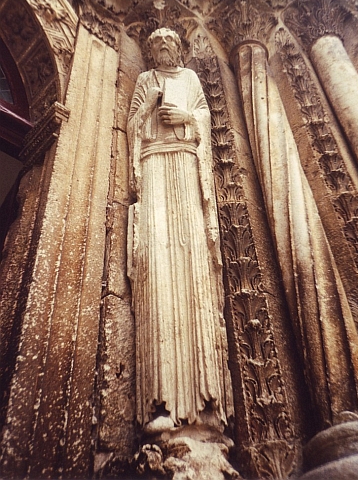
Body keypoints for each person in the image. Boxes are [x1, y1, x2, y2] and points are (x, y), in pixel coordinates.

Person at [127, 28, 232, 433]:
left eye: (168, 45)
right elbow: (132, 122)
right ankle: (162, 398)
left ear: (179, 49)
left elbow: (204, 115)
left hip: (186, 165)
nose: (162, 50)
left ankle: (206, 399)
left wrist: (187, 117)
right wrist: (150, 109)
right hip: (154, 165)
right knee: (157, 263)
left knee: (193, 265)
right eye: (155, 47)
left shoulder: (189, 79)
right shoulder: (144, 81)